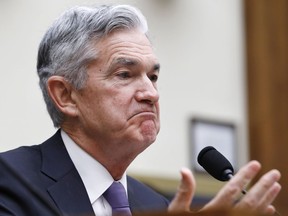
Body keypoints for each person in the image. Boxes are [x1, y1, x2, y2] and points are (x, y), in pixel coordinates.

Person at [0, 4, 281, 216]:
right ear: (66, 95)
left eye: (153, 77)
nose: (150, 93)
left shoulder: (155, 204)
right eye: (125, 74)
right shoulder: (9, 181)